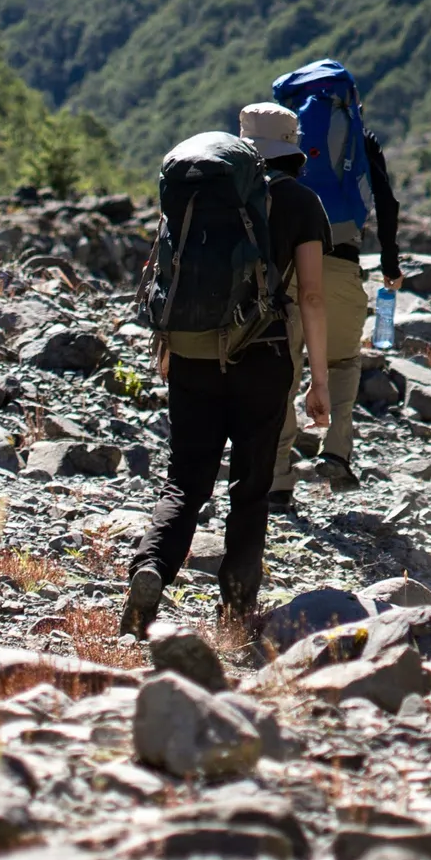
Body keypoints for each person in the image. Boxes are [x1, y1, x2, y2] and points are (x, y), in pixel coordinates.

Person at [125, 105, 330, 636]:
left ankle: (150, 570)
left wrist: (165, 344)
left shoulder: (197, 185)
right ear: (293, 147)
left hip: (192, 351)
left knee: (185, 480)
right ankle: (235, 610)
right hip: (262, 355)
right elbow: (310, 294)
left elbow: (165, 271)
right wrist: (320, 381)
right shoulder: (302, 202)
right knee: (251, 485)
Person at [266, 61, 404, 505]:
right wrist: (390, 262)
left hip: (285, 270)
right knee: (343, 361)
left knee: (283, 367)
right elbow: (386, 202)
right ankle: (337, 455)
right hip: (343, 264)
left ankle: (277, 476)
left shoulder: (279, 148)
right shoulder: (361, 141)